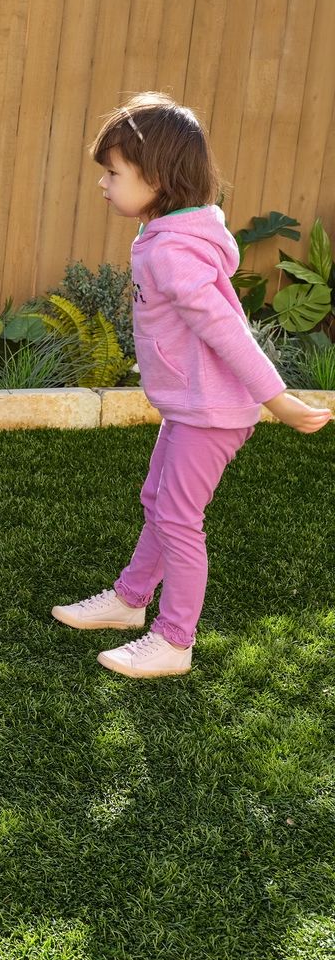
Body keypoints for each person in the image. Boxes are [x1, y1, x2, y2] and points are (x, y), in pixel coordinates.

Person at [52, 93, 331, 678]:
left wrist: (276, 398)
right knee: (158, 502)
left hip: (213, 411)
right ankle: (129, 602)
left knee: (179, 519)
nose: (103, 184)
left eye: (113, 173)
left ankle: (174, 640)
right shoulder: (168, 235)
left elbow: (228, 332)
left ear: (156, 178)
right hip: (193, 404)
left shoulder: (173, 253)